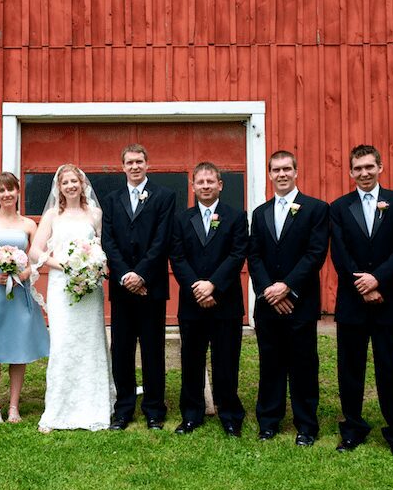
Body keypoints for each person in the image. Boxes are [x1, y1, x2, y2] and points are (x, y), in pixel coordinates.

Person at [329, 145, 393, 457]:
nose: (364, 173)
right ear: (351, 172)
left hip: (388, 300)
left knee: (389, 367)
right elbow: (339, 253)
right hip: (352, 303)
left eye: (369, 166)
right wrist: (362, 285)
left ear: (380, 167)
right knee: (350, 369)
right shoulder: (339, 207)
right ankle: (352, 429)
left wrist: (377, 279)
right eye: (358, 168)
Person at [248, 150, 329, 446]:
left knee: (303, 365)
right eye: (276, 170)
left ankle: (306, 425)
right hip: (268, 304)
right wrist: (268, 290)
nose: (281, 174)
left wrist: (288, 287)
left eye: (286, 169)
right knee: (270, 363)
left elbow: (315, 253)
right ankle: (268, 421)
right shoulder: (260, 213)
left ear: (296, 172)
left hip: (300, 301)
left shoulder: (316, 209)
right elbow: (254, 255)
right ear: (269, 174)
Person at [30, 164, 115, 432]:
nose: (70, 186)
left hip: (90, 288)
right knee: (63, 344)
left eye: (74, 181)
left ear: (82, 184)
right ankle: (58, 410)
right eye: (65, 182)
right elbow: (35, 251)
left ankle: (94, 407)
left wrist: (94, 264)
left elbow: (102, 246)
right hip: (61, 286)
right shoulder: (52, 216)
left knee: (91, 342)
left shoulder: (96, 213)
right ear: (59, 187)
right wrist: (63, 265)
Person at [169, 162, 248, 437]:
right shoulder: (181, 219)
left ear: (220, 185)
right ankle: (192, 414)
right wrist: (197, 289)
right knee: (191, 360)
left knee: (226, 360)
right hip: (192, 304)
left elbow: (237, 255)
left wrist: (213, 285)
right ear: (193, 187)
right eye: (200, 182)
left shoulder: (236, 217)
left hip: (225, 302)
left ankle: (230, 415)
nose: (205, 186)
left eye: (210, 182)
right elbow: (177, 257)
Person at [101, 144, 176, 431]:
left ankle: (155, 410)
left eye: (139, 162)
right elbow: (108, 241)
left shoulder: (164, 196)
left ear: (147, 164)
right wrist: (124, 276)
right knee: (121, 350)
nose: (135, 166)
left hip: (151, 287)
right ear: (122, 167)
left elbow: (162, 240)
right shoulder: (112, 199)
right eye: (130, 162)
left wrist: (141, 275)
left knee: (152, 349)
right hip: (122, 289)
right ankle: (124, 409)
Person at [0, 172, 49, 424]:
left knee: (19, 347)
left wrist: (26, 272)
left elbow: (36, 257)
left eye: (10, 189)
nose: (6, 194)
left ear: (17, 192)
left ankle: (14, 405)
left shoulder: (28, 225)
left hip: (20, 289)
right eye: (1, 190)